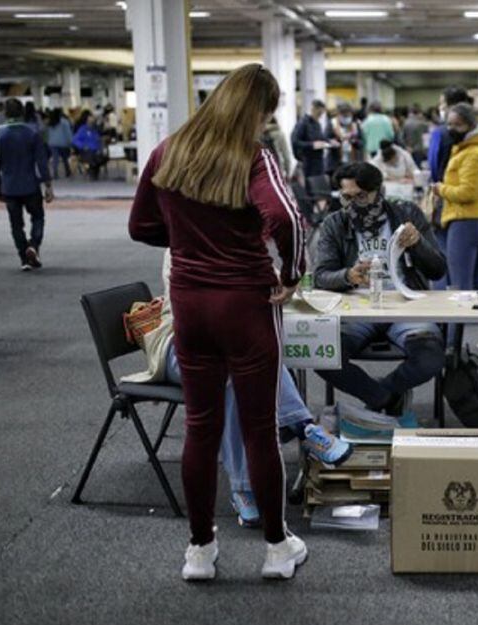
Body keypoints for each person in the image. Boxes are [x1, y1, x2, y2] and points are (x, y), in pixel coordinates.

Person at [128, 63, 309, 581]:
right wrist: (292, 274)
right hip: (246, 305)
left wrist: (190, 244)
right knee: (259, 430)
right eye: (267, 114)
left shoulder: (168, 152)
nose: (265, 125)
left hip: (190, 305)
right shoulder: (254, 158)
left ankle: (200, 552)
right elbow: (288, 218)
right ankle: (277, 549)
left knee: (200, 429)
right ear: (256, 110)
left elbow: (140, 225)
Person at [125, 252, 351, 527]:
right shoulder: (180, 248)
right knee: (234, 369)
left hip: (229, 344)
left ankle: (290, 442)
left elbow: (272, 281)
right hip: (180, 345)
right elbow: (200, 309)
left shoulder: (239, 240)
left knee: (254, 356)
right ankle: (290, 443)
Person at [314, 162, 447, 414]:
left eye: (361, 196)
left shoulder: (407, 213)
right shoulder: (335, 223)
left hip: (406, 305)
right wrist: (348, 276)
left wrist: (418, 244)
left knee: (430, 357)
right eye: (347, 197)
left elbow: (438, 269)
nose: (353, 204)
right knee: (323, 354)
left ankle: (380, 395)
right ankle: (385, 399)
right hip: (357, 308)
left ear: (378, 191)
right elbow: (321, 275)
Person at [431, 103, 478, 353]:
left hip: (466, 222)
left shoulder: (473, 153)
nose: (451, 129)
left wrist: (440, 189)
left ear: (470, 125)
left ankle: (450, 345)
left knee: (459, 289)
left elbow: (466, 192)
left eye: (456, 125)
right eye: (449, 124)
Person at [0, 98, 53, 271]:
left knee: (16, 225)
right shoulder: (33, 133)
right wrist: (48, 185)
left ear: (5, 114)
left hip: (9, 187)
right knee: (38, 217)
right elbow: (41, 162)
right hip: (31, 186)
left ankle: (24, 258)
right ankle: (33, 246)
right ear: (22, 113)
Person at [291, 100, 333, 179]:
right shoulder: (303, 123)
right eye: (319, 113)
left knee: (319, 186)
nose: (320, 116)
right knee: (310, 186)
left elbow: (320, 138)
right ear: (313, 109)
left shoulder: (317, 123)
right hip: (307, 162)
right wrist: (312, 145)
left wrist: (329, 142)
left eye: (322, 114)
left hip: (318, 161)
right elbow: (295, 141)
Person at [72, 114, 106, 180]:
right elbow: (75, 140)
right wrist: (82, 146)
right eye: (90, 119)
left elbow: (98, 141)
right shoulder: (82, 130)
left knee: (101, 156)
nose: (92, 121)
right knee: (91, 156)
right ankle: (91, 172)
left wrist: (101, 144)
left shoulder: (95, 131)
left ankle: (94, 171)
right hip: (86, 151)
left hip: (95, 151)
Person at [261, 116, 293, 180]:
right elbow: (286, 156)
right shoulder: (280, 134)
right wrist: (288, 173)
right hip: (277, 169)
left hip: (262, 171)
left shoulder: (259, 135)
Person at [45, 109, 73, 179]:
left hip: (52, 143)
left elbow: (47, 133)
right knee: (65, 158)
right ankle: (68, 171)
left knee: (55, 159)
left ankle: (55, 173)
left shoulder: (50, 122)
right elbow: (68, 133)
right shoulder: (64, 122)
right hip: (62, 143)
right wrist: (70, 142)